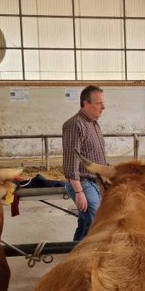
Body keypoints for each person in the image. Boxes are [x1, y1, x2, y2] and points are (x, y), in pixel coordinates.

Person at [62, 85, 106, 242]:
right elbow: (71, 160)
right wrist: (79, 192)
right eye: (98, 103)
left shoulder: (93, 124)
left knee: (86, 224)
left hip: (96, 182)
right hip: (83, 183)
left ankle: (74, 253)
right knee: (100, 223)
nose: (103, 107)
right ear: (85, 103)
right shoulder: (75, 125)